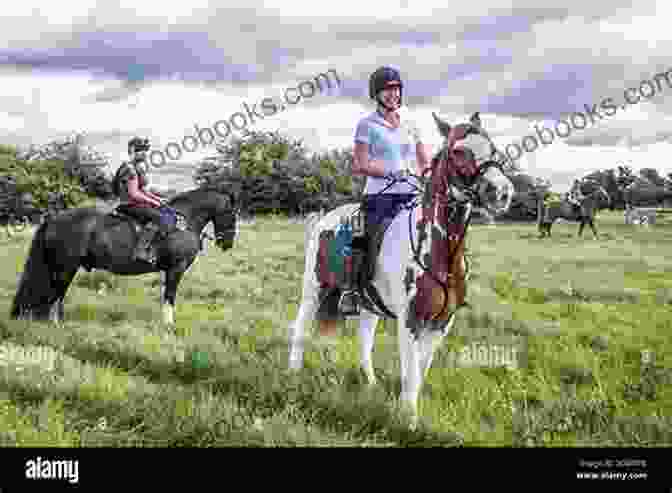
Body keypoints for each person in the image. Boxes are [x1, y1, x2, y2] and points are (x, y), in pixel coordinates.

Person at [338, 66, 432, 316]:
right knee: (360, 235)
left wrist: (428, 176)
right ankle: (351, 291)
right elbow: (360, 164)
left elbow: (424, 162)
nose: (393, 94)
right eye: (387, 90)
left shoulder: (411, 124)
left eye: (396, 89)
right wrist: (390, 171)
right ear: (376, 94)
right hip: (380, 196)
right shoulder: (366, 125)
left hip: (412, 195)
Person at [113, 137, 171, 263]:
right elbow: (134, 194)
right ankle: (141, 251)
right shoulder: (130, 169)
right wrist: (153, 202)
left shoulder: (135, 167)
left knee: (161, 211)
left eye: (145, 150)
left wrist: (158, 199)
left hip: (133, 203)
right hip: (128, 205)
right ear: (132, 150)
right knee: (158, 217)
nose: (144, 153)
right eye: (140, 150)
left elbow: (143, 191)